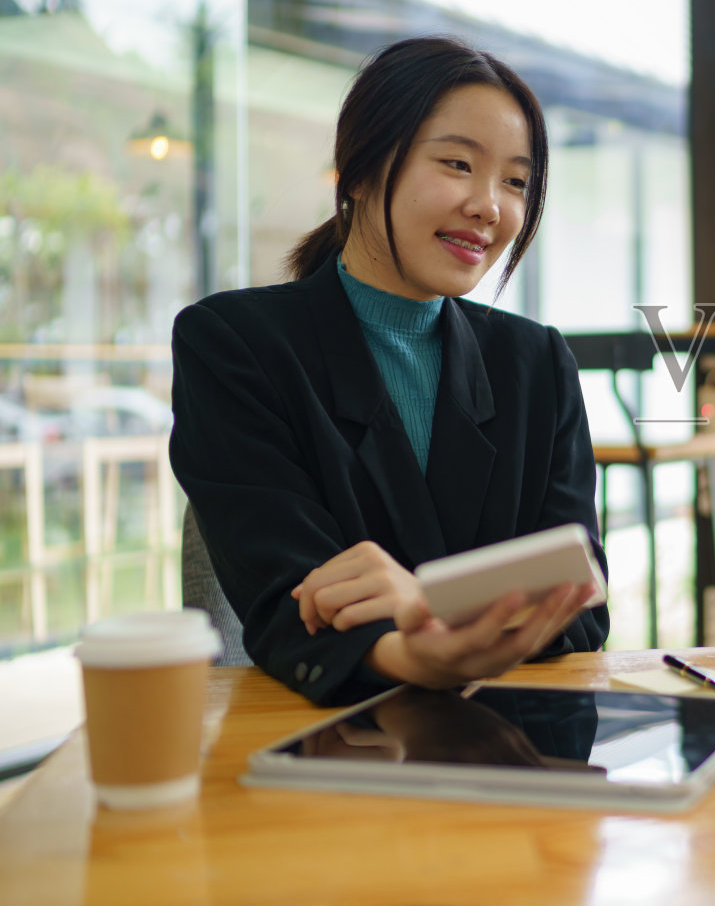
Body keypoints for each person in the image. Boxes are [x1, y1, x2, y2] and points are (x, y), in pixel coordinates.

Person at [170, 36, 606, 707]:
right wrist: (420, 647)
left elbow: (580, 606)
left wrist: (426, 603)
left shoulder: (537, 364)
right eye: (458, 164)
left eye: (516, 182)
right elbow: (288, 599)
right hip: (333, 739)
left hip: (517, 741)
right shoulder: (233, 345)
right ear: (360, 170)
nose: (490, 206)